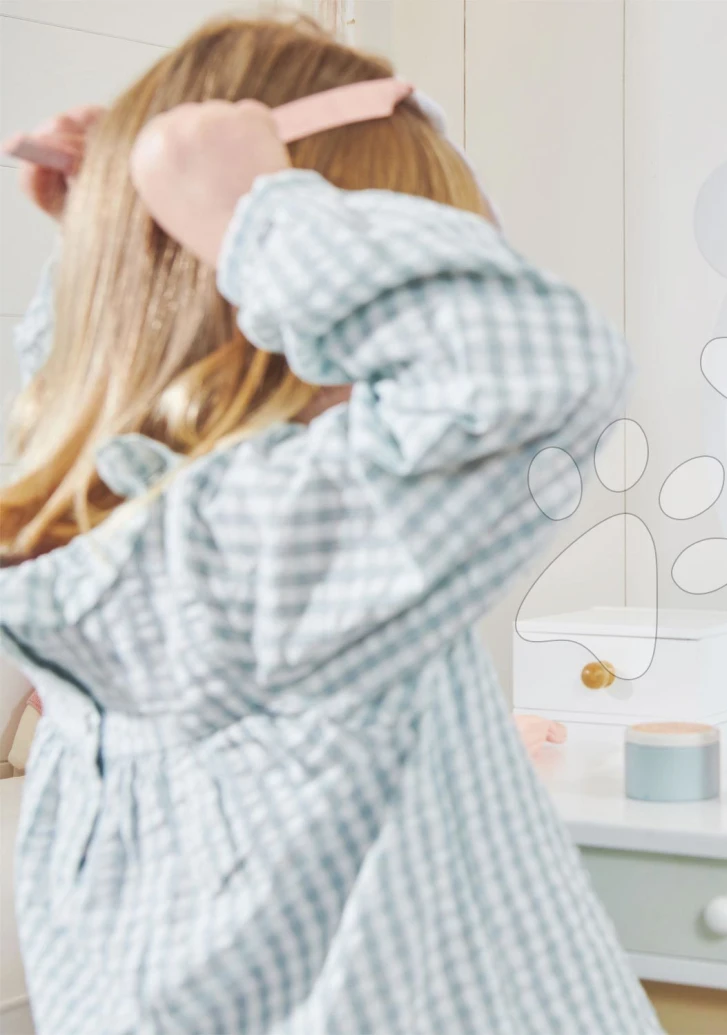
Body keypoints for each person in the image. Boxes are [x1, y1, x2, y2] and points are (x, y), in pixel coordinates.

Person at [0, 17, 660, 1034]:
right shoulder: (270, 562)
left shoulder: (101, 559)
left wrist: (111, 249)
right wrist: (259, 212)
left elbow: (108, 399)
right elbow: (541, 370)